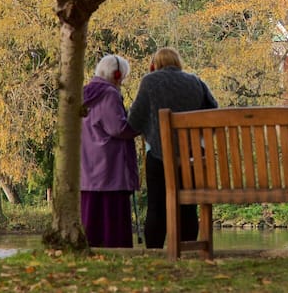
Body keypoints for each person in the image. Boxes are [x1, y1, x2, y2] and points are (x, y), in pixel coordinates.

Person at [127, 47, 217, 249]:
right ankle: (188, 248)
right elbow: (213, 113)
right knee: (188, 206)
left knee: (156, 206)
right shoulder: (195, 81)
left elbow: (134, 121)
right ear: (178, 63)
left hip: (159, 158)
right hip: (192, 158)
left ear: (154, 65)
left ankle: (155, 250)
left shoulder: (150, 82)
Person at [80, 54, 140, 248]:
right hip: (110, 167)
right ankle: (116, 251)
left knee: (91, 216)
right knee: (112, 218)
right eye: (123, 77)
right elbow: (118, 128)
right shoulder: (109, 94)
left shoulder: (84, 93)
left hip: (87, 166)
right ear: (117, 75)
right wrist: (139, 126)